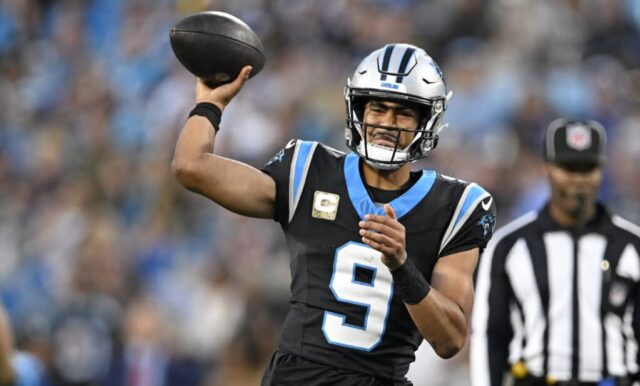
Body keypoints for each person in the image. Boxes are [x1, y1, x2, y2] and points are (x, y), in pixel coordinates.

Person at [173, 43, 497, 385]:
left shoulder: (457, 206)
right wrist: (210, 104)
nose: (387, 122)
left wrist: (403, 267)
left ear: (426, 120)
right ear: (358, 109)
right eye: (378, 108)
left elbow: (450, 340)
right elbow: (190, 166)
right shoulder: (309, 169)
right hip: (296, 377)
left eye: (403, 112)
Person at [471, 119, 640, 386]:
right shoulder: (509, 246)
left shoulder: (632, 246)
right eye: (569, 168)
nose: (579, 179)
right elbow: (489, 334)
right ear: (547, 167)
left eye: (588, 168)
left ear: (601, 170)